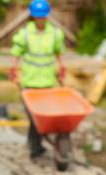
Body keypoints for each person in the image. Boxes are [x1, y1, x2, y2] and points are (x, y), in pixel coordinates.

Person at [9, 0, 66, 159]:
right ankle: (35, 148)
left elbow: (58, 52)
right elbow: (16, 52)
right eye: (37, 17)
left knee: (41, 118)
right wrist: (13, 69)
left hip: (48, 82)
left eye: (42, 17)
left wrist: (62, 67)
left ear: (47, 16)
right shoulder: (25, 34)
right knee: (34, 118)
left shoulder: (55, 34)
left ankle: (34, 144)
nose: (40, 20)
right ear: (32, 17)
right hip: (30, 83)